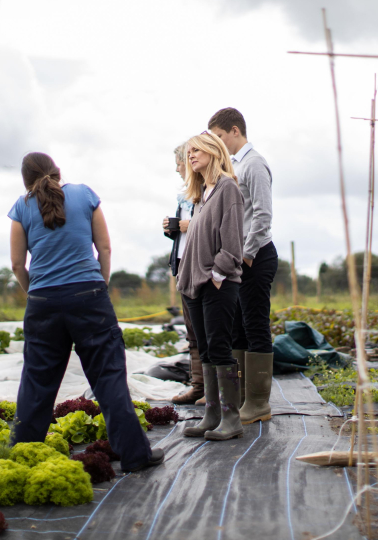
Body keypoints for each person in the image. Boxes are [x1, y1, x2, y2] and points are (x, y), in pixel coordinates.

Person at [9, 151, 163, 472]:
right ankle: (135, 456)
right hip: (88, 296)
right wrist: (99, 285)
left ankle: (22, 458)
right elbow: (104, 248)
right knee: (108, 376)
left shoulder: (21, 207)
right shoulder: (84, 195)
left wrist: (34, 293)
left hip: (42, 304)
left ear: (25, 181)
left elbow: (16, 264)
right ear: (57, 171)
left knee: (37, 382)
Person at [209, 108, 277, 425]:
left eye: (219, 137)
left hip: (256, 256)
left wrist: (246, 254)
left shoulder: (255, 164)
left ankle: (259, 403)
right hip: (239, 259)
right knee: (236, 327)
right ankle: (238, 397)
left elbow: (262, 216)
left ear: (235, 131)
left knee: (254, 325)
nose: (218, 144)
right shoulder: (233, 167)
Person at [177, 132, 245, 441]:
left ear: (213, 151)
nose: (191, 155)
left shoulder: (227, 189)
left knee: (219, 347)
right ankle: (212, 415)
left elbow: (231, 242)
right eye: (189, 152)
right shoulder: (202, 194)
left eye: (196, 150)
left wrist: (217, 275)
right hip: (194, 285)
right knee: (205, 349)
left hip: (216, 283)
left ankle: (231, 419)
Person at [161, 142, 205, 405]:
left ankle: (214, 390)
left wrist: (190, 225)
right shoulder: (184, 196)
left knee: (206, 331)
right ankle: (198, 385)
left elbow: (211, 226)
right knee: (192, 330)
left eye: (180, 163)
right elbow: (186, 234)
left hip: (201, 267)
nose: (177, 169)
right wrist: (173, 229)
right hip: (184, 265)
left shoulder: (210, 190)